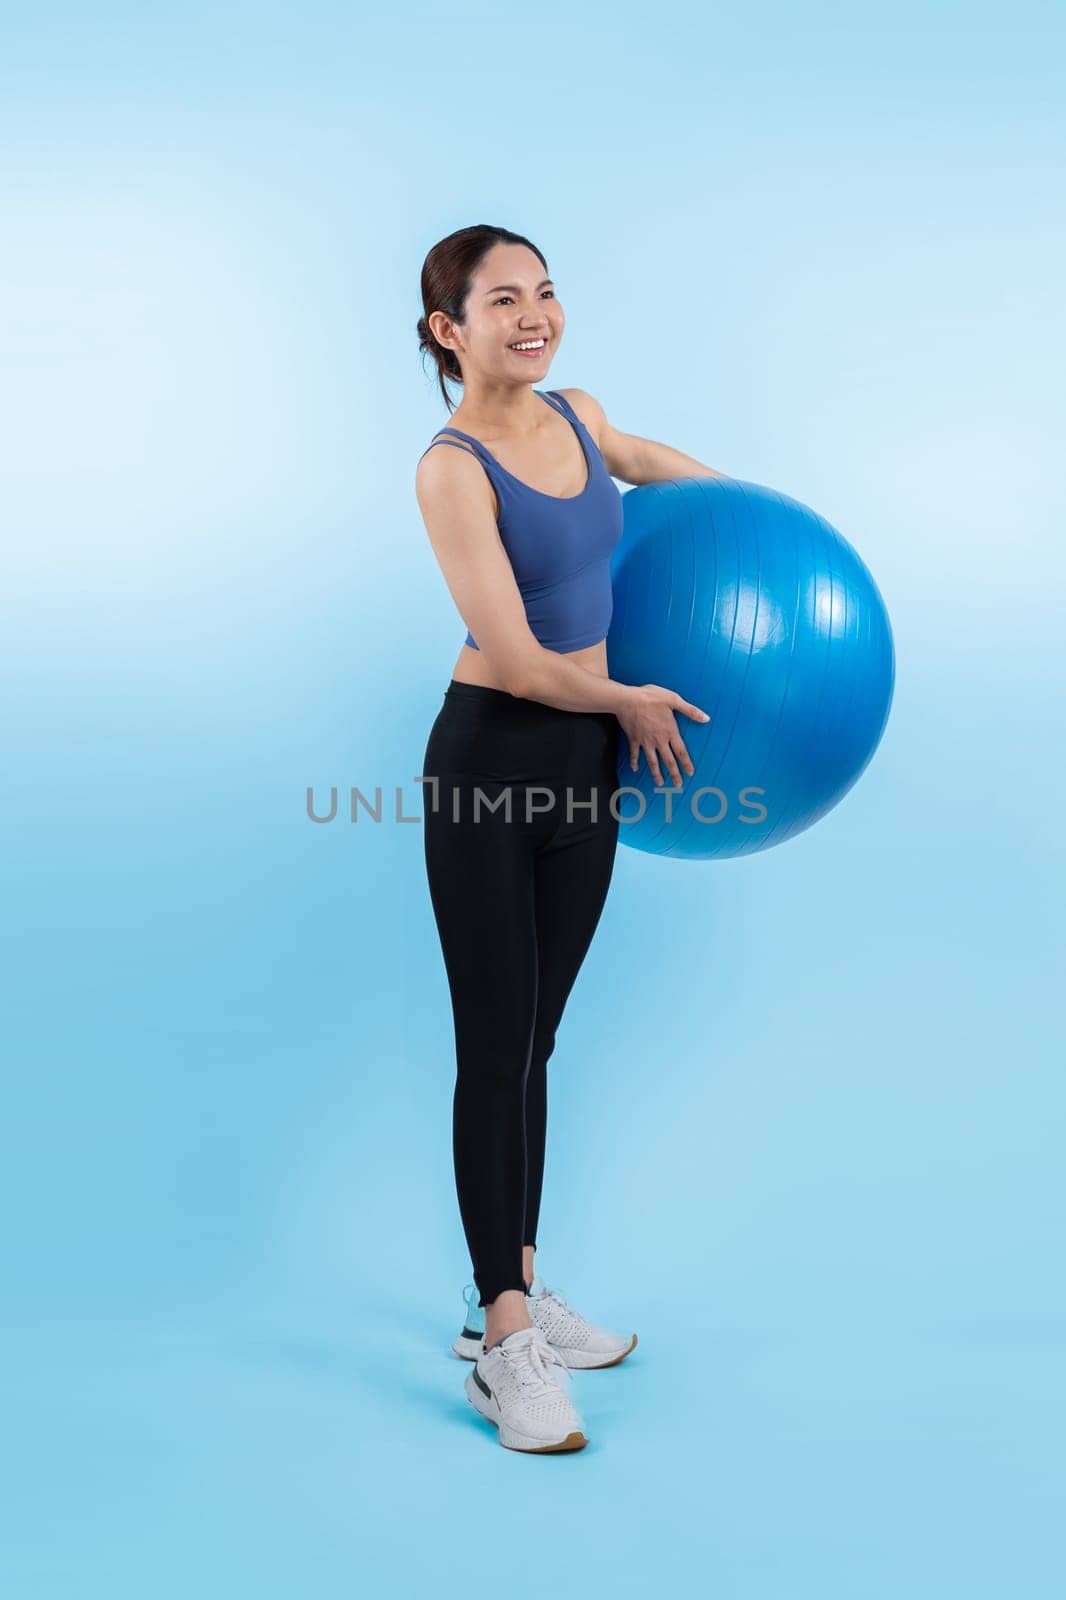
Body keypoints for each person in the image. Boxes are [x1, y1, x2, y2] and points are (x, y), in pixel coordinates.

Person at [414, 225, 719, 1453]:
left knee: (537, 1037)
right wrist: (629, 697)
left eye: (543, 292)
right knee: (494, 1047)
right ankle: (504, 1344)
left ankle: (520, 1281)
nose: (532, 315)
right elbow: (528, 660)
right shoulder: (450, 468)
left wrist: (769, 531)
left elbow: (674, 476)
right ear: (450, 330)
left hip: (590, 768)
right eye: (502, 301)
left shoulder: (579, 417)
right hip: (492, 761)